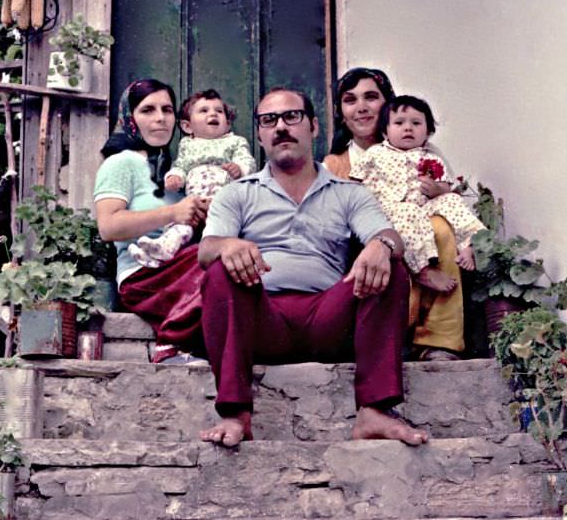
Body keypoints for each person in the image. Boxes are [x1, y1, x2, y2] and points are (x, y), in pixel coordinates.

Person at [197, 87, 429, 447]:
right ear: (259, 133)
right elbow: (206, 249)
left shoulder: (348, 192)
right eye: (269, 120)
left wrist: (380, 246)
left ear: (314, 126)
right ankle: (237, 414)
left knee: (390, 266)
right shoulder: (237, 193)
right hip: (263, 320)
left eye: (292, 117)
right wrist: (228, 245)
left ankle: (374, 410)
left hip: (328, 319)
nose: (281, 127)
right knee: (218, 271)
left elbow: (389, 236)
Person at [324, 68, 465, 361]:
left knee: (441, 227)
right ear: (341, 112)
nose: (361, 107)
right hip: (365, 246)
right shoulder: (335, 163)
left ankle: (439, 339)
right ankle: (392, 334)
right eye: (350, 100)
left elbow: (448, 192)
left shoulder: (423, 150)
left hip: (422, 229)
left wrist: (439, 191)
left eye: (371, 97)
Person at [94, 79, 209, 364]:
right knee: (212, 262)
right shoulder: (121, 163)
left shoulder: (175, 170)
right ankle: (170, 342)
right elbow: (108, 226)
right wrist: (173, 213)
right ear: (129, 117)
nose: (160, 118)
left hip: (180, 269)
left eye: (167, 110)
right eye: (148, 110)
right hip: (142, 275)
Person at [350, 95, 485, 278]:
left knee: (451, 200)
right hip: (388, 209)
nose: (408, 128)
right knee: (408, 212)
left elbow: (446, 187)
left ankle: (469, 245)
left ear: (428, 132)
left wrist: (437, 190)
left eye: (416, 123)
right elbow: (354, 182)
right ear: (385, 131)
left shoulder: (431, 157)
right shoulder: (374, 154)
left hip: (423, 207)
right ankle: (422, 270)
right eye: (399, 123)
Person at [129, 89, 256, 266]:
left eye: (219, 111)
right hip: (196, 201)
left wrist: (239, 169)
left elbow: (246, 160)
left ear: (227, 124)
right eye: (204, 111)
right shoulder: (187, 145)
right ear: (188, 126)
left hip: (223, 200)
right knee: (182, 223)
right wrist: (175, 177)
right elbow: (181, 166)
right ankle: (163, 249)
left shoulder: (235, 142)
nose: (213, 114)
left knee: (222, 231)